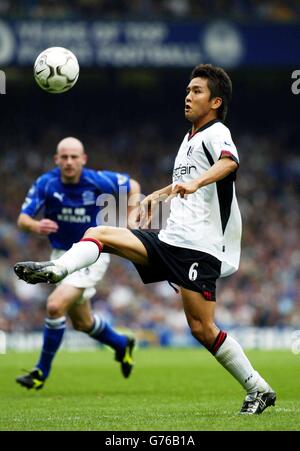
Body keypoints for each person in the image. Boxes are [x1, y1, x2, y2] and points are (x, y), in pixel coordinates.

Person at [14, 64, 276, 414]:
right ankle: (57, 270)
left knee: (202, 328)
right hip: (171, 240)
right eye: (187, 89)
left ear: (215, 102)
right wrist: (155, 196)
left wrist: (197, 183)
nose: (187, 95)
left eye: (196, 91)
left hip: (199, 248)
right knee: (98, 233)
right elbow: (184, 183)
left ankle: (259, 388)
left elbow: (230, 162)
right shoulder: (189, 139)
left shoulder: (216, 132)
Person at [15, 137, 141, 390]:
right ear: (56, 160)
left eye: (74, 157)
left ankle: (41, 371)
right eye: (64, 157)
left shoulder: (97, 180)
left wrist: (132, 219)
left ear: (83, 159)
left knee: (54, 306)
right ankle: (121, 344)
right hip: (61, 255)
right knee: (83, 323)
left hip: (90, 252)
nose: (69, 162)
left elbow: (134, 186)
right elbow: (22, 220)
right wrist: (36, 225)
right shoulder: (46, 183)